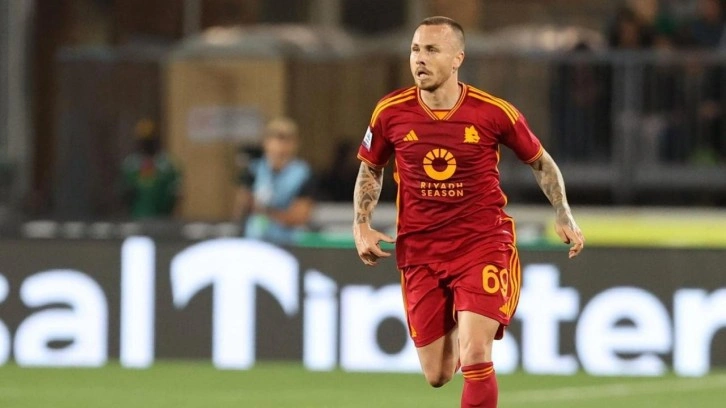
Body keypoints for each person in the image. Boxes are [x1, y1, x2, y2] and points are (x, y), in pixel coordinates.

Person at [352, 16, 585, 408]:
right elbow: (371, 167)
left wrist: (563, 212)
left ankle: (475, 336)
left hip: (482, 244)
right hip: (421, 250)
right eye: (415, 49)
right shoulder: (390, 111)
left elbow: (541, 162)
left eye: (431, 50)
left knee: (476, 352)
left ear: (457, 58)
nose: (419, 59)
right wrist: (361, 224)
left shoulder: (492, 112)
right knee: (438, 373)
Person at [233, 117, 315, 245]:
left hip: (289, 242)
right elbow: (242, 209)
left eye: (286, 140)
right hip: (255, 240)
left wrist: (265, 211)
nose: (280, 146)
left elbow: (299, 216)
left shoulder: (303, 174)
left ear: (295, 144)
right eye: (275, 139)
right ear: (265, 143)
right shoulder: (254, 169)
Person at [121, 118, 182, 219]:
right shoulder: (131, 165)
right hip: (137, 217)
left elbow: (176, 192)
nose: (146, 145)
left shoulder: (167, 165)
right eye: (143, 141)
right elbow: (124, 190)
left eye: (149, 141)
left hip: (163, 219)